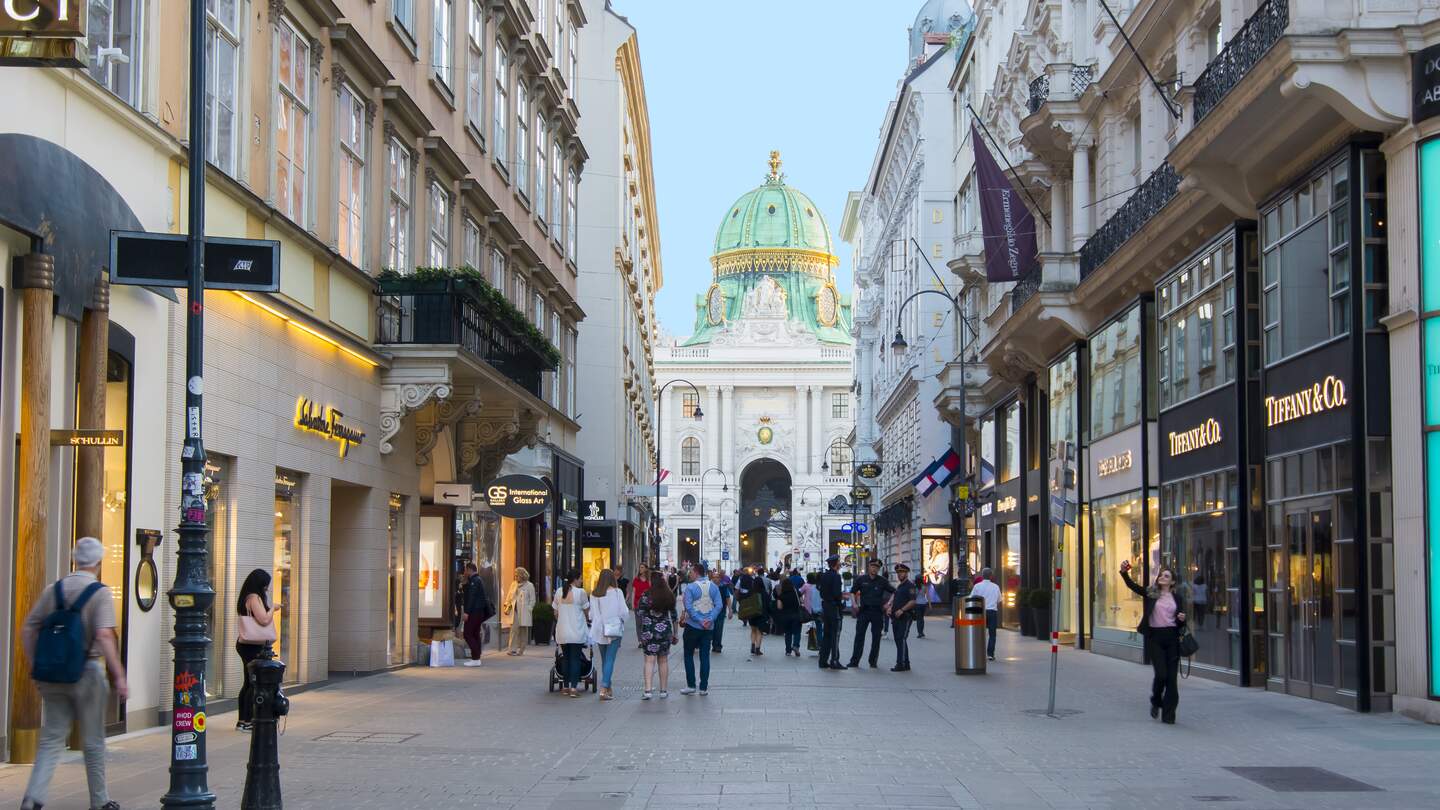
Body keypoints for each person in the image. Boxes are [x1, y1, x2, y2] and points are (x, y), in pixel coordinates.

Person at [20, 537, 127, 810]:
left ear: (75, 559)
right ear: (98, 563)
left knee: (51, 738)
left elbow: (29, 628)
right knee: (93, 740)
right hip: (87, 672)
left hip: (52, 675)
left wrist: (36, 663)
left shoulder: (52, 590)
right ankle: (100, 801)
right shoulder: (100, 593)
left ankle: (33, 799)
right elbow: (104, 636)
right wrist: (119, 676)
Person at [1120, 560, 1187, 724]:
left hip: (1172, 638)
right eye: (1161, 575)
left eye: (1166, 576)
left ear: (1172, 582)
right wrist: (1124, 573)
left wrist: (1182, 619)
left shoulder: (1177, 598)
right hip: (1155, 638)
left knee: (1172, 679)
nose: (1162, 577)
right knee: (1161, 674)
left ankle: (1169, 715)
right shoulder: (1152, 593)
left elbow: (1181, 621)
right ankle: (1156, 700)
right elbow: (1134, 587)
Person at [235, 568, 279, 731]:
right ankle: (246, 721)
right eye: (266, 585)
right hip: (251, 646)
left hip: (247, 644)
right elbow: (263, 619)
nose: (267, 588)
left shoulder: (249, 596)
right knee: (253, 683)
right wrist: (273, 608)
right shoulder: (253, 598)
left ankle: (242, 721)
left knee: (248, 682)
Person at [679, 564, 723, 695]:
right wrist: (710, 619)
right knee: (705, 656)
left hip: (693, 626)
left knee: (688, 654)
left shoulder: (690, 588)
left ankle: (691, 685)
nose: (690, 574)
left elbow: (688, 607)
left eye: (691, 571)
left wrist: (698, 620)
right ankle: (703, 687)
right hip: (708, 627)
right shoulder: (714, 587)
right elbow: (719, 605)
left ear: (696, 572)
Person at [637, 570, 677, 699]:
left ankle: (648, 690)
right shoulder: (669, 595)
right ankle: (663, 690)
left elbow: (640, 613)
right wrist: (675, 633)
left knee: (649, 661)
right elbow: (674, 616)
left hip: (649, 631)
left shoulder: (646, 595)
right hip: (665, 631)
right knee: (663, 660)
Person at [848, 559, 895, 669]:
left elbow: (894, 592)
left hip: (877, 612)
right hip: (864, 611)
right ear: (869, 567)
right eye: (873, 566)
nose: (874, 569)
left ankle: (873, 661)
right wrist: (854, 603)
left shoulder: (882, 581)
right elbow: (852, 591)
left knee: (876, 638)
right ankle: (855, 661)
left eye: (877, 567)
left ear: (879, 569)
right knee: (859, 636)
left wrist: (889, 604)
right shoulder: (861, 579)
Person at [590, 569, 628, 700]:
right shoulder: (618, 593)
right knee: (610, 659)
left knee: (605, 659)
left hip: (599, 630)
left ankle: (608, 687)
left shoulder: (595, 594)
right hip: (614, 629)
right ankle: (604, 687)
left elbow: (592, 614)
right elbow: (624, 612)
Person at [553, 569, 591, 697]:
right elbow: (587, 612)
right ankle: (574, 689)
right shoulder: (581, 593)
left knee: (566, 658)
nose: (581, 581)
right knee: (575, 659)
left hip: (563, 631)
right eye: (580, 578)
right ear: (575, 579)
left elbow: (555, 612)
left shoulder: (559, 591)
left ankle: (565, 687)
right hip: (577, 631)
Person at [817, 555, 847, 670]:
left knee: (827, 635)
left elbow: (821, 590)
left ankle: (823, 660)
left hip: (826, 607)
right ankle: (834, 660)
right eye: (839, 562)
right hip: (834, 608)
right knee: (835, 635)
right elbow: (836, 593)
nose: (840, 563)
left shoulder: (824, 576)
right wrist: (841, 599)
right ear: (836, 564)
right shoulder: (836, 577)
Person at [734, 566, 771, 657]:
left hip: (752, 614)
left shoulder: (750, 592)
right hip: (762, 614)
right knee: (759, 631)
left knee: (753, 630)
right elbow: (768, 604)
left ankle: (752, 645)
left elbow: (744, 600)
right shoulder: (764, 593)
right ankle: (758, 648)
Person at [461, 562, 493, 667]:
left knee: (467, 634)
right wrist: (465, 583)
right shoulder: (477, 580)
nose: (465, 572)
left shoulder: (475, 581)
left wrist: (466, 612)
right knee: (475, 634)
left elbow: (471, 597)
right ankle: (476, 658)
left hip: (474, 612)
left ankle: (475, 657)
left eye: (466, 570)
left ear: (470, 569)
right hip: (478, 612)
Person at [887, 564, 918, 671]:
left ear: (906, 573)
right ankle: (906, 663)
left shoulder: (910, 586)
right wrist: (890, 607)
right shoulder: (900, 586)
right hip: (896, 617)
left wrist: (902, 610)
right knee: (899, 640)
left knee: (901, 639)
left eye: (902, 572)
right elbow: (895, 597)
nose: (900, 574)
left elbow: (913, 601)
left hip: (905, 617)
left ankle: (901, 664)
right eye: (898, 573)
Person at [502, 567, 536, 655]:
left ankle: (521, 649)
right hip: (515, 611)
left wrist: (529, 609)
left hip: (524, 611)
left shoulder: (529, 585)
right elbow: (509, 596)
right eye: (515, 576)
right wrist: (506, 604)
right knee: (513, 630)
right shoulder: (513, 584)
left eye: (517, 576)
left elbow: (533, 600)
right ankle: (512, 649)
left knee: (523, 630)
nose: (516, 577)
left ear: (522, 576)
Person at [970, 567, 1002, 661]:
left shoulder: (977, 586)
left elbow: (972, 597)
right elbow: (999, 600)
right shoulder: (996, 587)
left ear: (982, 576)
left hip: (980, 611)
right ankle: (990, 654)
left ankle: (978, 652)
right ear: (991, 576)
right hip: (992, 611)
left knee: (979, 632)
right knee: (992, 634)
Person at [775, 577, 804, 656]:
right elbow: (802, 601)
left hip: (785, 616)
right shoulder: (797, 592)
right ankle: (796, 646)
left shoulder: (781, 595)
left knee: (788, 633)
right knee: (797, 632)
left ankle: (788, 651)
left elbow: (779, 607)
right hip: (796, 615)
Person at [710, 568, 733, 653]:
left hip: (720, 611)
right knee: (711, 629)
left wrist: (730, 610)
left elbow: (728, 598)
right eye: (714, 577)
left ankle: (718, 646)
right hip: (710, 611)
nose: (715, 579)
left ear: (720, 578)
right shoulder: (709, 586)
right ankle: (713, 644)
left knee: (718, 629)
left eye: (717, 577)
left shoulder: (723, 587)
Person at [801, 572, 823, 655]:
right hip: (824, 610)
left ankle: (820, 646)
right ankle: (823, 645)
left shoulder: (812, 587)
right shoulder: (823, 587)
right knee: (822, 628)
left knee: (819, 628)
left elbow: (812, 600)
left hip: (815, 611)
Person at [913, 574, 932, 639]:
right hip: (923, 604)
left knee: (918, 619)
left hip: (917, 604)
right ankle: (922, 632)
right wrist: (930, 604)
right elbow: (928, 596)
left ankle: (919, 633)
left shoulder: (914, 587)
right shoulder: (925, 587)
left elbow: (913, 597)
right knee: (922, 618)